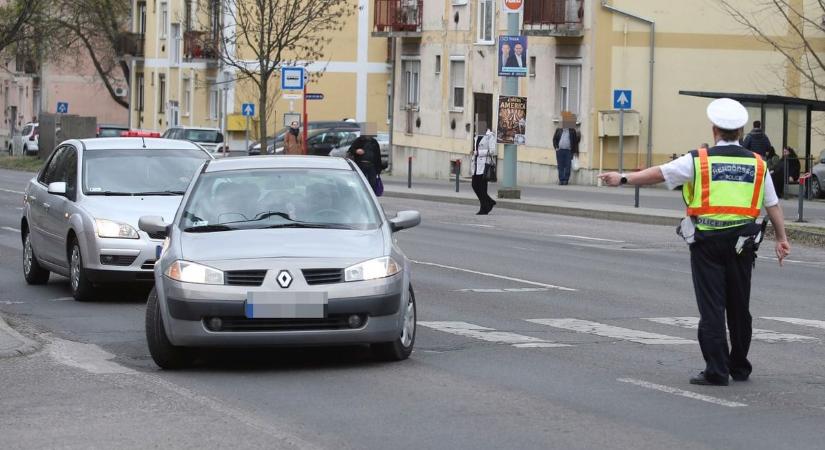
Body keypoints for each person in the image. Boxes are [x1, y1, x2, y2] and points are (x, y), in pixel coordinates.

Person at [598, 98, 790, 386]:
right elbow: (772, 205)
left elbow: (660, 173)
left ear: (714, 130)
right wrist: (782, 239)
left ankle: (716, 370)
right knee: (739, 307)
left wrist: (623, 178)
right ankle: (739, 366)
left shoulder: (699, 160)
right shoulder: (758, 164)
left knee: (713, 307)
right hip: (743, 242)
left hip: (708, 242)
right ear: (740, 131)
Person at [347, 124, 382, 193]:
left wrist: (378, 169)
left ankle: (370, 195)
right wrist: (357, 151)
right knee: (361, 182)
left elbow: (378, 155)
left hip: (372, 166)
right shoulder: (359, 141)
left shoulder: (374, 142)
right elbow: (350, 150)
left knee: (372, 183)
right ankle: (361, 194)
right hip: (361, 165)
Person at [471, 129, 497, 215]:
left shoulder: (490, 136)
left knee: (482, 188)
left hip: (484, 165)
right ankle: (489, 202)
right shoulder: (477, 136)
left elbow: (492, 151)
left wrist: (477, 152)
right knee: (474, 185)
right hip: (476, 165)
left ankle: (484, 207)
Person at [552, 114, 579, 185]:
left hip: (568, 151)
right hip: (560, 151)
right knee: (560, 166)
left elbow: (575, 142)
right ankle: (561, 180)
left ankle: (566, 180)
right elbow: (554, 139)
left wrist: (575, 152)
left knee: (568, 166)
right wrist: (556, 148)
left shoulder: (572, 131)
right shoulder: (559, 130)